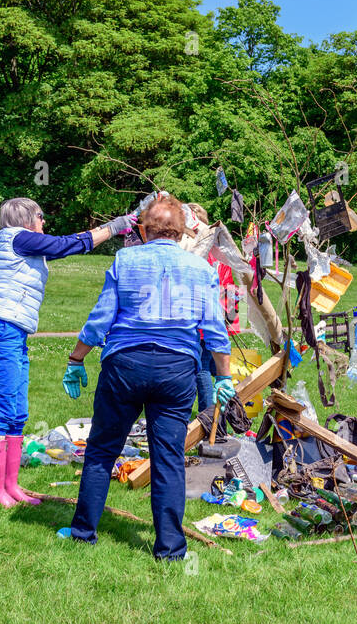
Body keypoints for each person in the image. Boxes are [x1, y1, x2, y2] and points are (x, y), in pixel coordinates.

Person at [58, 196, 235, 560]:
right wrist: (223, 377)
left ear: (143, 228)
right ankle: (170, 549)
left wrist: (77, 358)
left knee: (102, 450)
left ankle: (83, 532)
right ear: (184, 230)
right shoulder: (201, 269)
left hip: (125, 364)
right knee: (168, 457)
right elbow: (215, 329)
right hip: (176, 370)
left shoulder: (126, 259)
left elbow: (101, 316)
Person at [0, 197, 133, 507]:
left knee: (17, 413)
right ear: (25, 219)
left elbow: (61, 246)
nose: (44, 222)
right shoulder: (16, 237)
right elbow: (64, 245)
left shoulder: (25, 244)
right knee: (0, 411)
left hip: (12, 332)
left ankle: (9, 486)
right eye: (40, 216)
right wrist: (113, 228)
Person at [185, 203, 241, 414]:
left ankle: (208, 415)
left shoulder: (196, 251)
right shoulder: (218, 250)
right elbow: (232, 286)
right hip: (219, 318)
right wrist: (231, 322)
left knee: (201, 369)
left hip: (203, 318)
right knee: (211, 368)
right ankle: (216, 415)